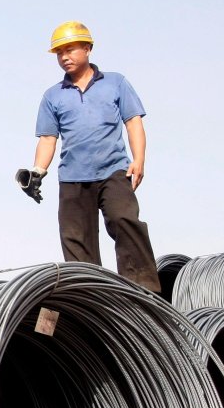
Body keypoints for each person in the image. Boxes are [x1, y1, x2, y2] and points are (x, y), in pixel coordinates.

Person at [17, 21, 161, 292]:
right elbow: (48, 139)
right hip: (72, 177)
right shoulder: (52, 96)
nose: (64, 57)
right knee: (76, 240)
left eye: (70, 49)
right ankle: (90, 296)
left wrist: (139, 159)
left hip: (114, 171)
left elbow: (133, 122)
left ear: (87, 48)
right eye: (59, 53)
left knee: (124, 220)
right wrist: (37, 171)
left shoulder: (116, 83)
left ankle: (144, 291)